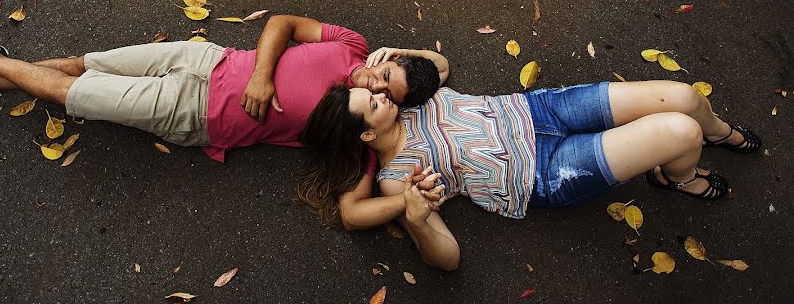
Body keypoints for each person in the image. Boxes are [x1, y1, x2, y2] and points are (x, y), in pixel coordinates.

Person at [297, 81, 762, 270]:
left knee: (684, 97)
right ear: (363, 137)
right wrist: (416, 218)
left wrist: (400, 58)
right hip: (544, 172)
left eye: (372, 92)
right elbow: (449, 258)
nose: (381, 95)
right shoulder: (397, 177)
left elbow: (436, 67)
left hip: (538, 108)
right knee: (679, 132)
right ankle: (676, 179)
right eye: (371, 104)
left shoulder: (407, 94)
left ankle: (719, 134)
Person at [0, 15, 446, 169]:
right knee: (76, 64)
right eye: (384, 73)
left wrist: (398, 86)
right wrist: (261, 74)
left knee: (72, 93)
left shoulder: (355, 123)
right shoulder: (353, 44)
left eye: (386, 93)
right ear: (389, 57)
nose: (375, 84)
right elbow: (281, 22)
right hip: (202, 58)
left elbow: (436, 79)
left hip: (192, 113)